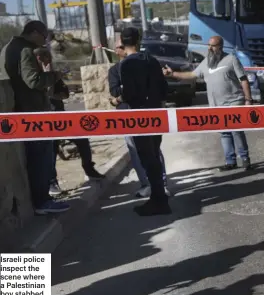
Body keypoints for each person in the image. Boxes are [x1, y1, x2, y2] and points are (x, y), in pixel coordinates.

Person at [0, 20, 70, 214]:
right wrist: (54, 75)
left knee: (38, 158)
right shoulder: (25, 50)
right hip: (33, 113)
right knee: (40, 159)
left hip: (22, 112)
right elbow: (33, 81)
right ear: (34, 33)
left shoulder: (9, 47)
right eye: (44, 36)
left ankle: (42, 199)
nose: (45, 41)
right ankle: (42, 202)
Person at [163, 35, 254, 171]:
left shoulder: (231, 59)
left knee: (236, 131)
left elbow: (243, 79)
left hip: (234, 102)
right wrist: (173, 74)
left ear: (221, 46)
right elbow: (192, 75)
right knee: (224, 133)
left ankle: (245, 159)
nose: (210, 48)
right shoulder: (206, 63)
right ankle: (230, 161)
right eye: (209, 45)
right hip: (217, 106)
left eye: (213, 45)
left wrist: (248, 100)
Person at [108, 27, 171, 216]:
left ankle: (158, 200)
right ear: (139, 40)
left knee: (147, 158)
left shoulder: (126, 64)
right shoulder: (152, 60)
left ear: (121, 42)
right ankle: (159, 197)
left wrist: (116, 100)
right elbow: (164, 89)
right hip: (156, 114)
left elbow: (129, 92)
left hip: (140, 117)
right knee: (154, 155)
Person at [34, 48, 105, 197]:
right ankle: (52, 182)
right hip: (46, 120)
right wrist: (50, 81)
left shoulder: (53, 75)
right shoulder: (36, 77)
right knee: (51, 148)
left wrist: (54, 78)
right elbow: (46, 94)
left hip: (61, 117)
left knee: (81, 138)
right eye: (43, 57)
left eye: (48, 56)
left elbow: (63, 94)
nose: (47, 60)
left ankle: (89, 169)